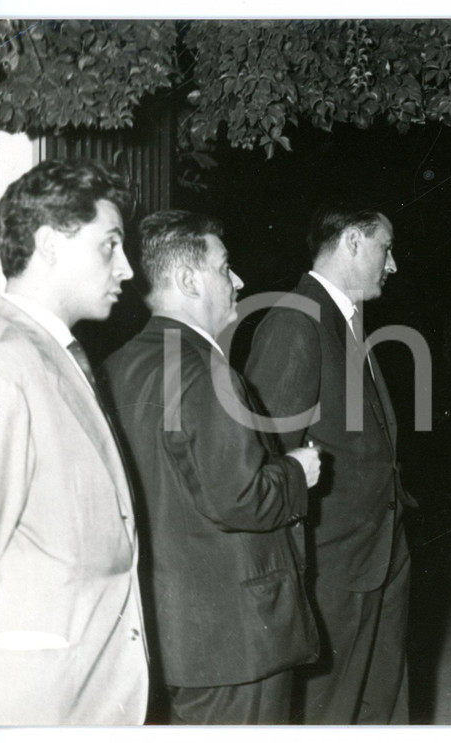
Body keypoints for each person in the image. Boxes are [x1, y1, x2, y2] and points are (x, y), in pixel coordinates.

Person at [100, 210, 322, 724]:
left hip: (170, 633)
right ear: (187, 279)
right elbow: (239, 497)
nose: (238, 280)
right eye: (225, 267)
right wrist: (296, 471)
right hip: (235, 639)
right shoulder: (205, 370)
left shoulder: (118, 366)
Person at [0, 160, 149, 723]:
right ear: (50, 244)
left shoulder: (54, 354)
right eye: (110, 246)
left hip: (86, 699)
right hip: (34, 708)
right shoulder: (0, 365)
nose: (127, 269)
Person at [246, 203, 414, 724]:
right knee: (329, 713)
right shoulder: (297, 320)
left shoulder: (342, 320)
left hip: (377, 554)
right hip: (332, 565)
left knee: (377, 705)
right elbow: (269, 456)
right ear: (353, 243)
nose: (393, 265)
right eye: (386, 249)